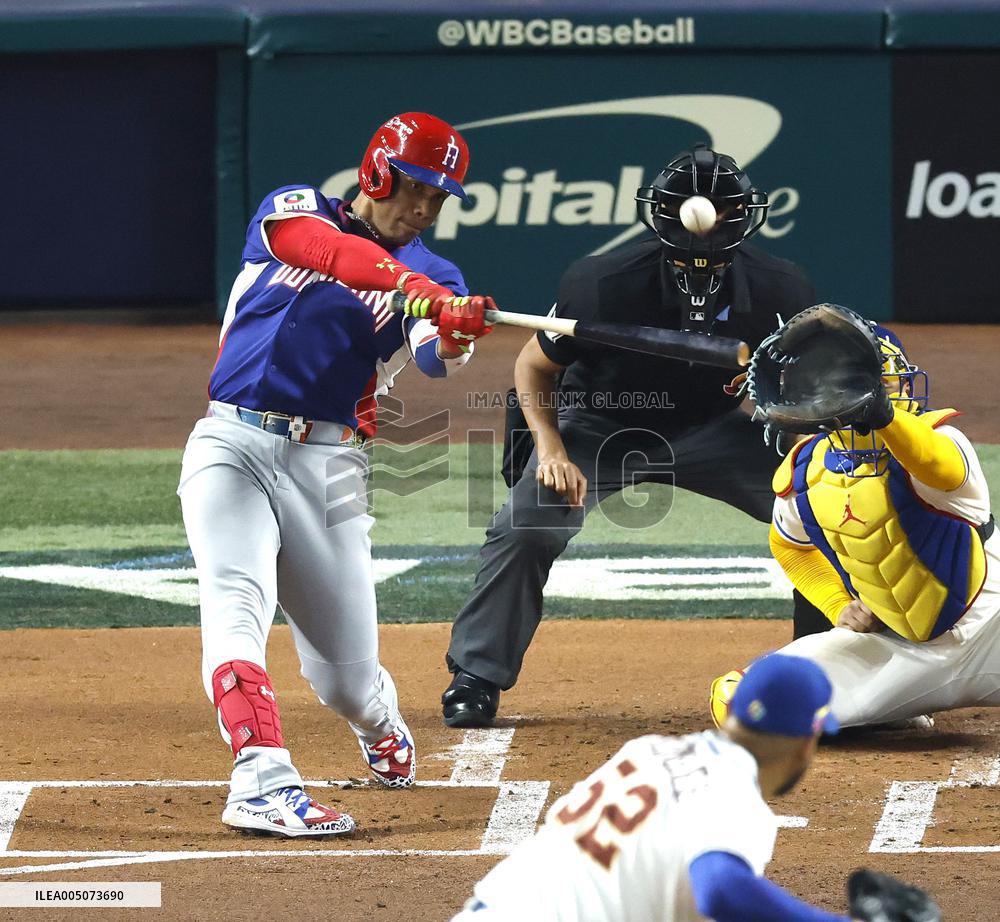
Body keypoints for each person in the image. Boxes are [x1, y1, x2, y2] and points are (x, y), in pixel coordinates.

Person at [178, 112, 494, 837]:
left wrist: (453, 326)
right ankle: (261, 778)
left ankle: (378, 718)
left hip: (330, 464)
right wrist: (409, 283)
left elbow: (438, 356)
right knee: (235, 605)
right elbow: (326, 252)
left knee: (345, 680)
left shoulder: (439, 276)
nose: (421, 208)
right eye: (413, 187)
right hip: (230, 441)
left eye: (437, 198)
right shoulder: (294, 210)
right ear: (376, 171)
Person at [443, 145, 820, 728]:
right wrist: (550, 449)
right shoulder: (604, 284)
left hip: (715, 429)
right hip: (603, 425)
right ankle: (476, 674)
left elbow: (799, 386)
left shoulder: (780, 290)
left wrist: (797, 435)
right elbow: (533, 367)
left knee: (825, 510)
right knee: (527, 522)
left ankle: (827, 670)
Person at [711, 317, 1000, 729]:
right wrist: (838, 605)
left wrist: (881, 416)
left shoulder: (944, 442)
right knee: (747, 704)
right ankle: (897, 708)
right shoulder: (807, 474)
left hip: (991, 629)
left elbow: (935, 466)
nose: (890, 392)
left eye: (890, 381)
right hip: (896, 651)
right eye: (877, 384)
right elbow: (790, 546)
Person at [451, 654, 861, 922]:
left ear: (732, 710)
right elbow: (722, 890)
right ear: (806, 743)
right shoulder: (735, 799)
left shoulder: (647, 751)